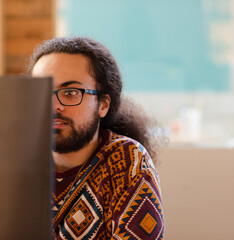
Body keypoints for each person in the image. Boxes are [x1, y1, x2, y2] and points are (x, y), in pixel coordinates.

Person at [27, 37, 164, 239]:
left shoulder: (128, 162)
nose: (54, 105)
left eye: (71, 92)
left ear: (103, 104)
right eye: (42, 92)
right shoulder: (14, 162)